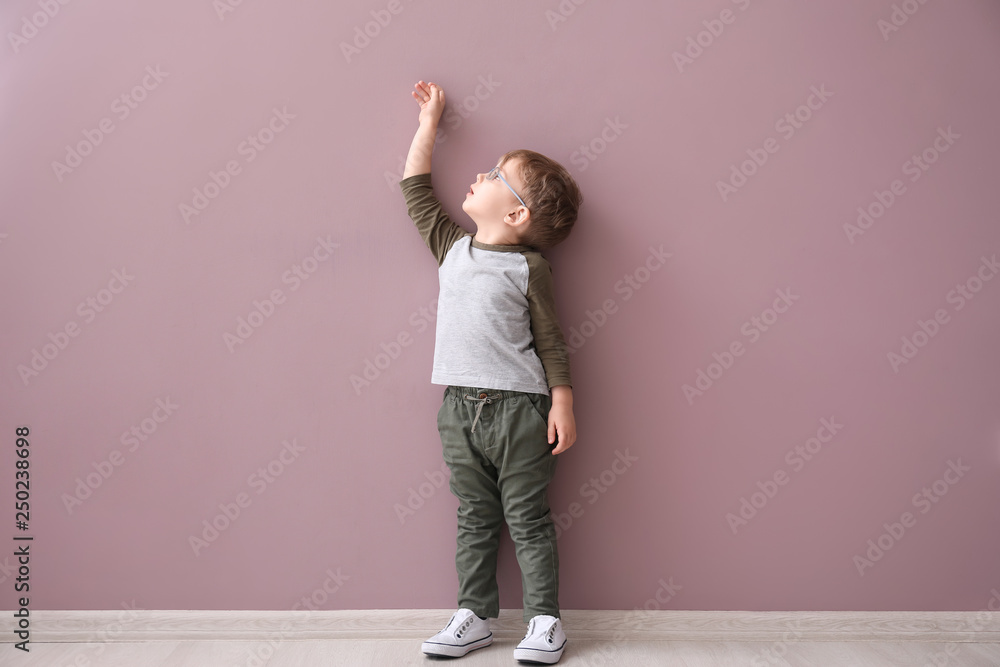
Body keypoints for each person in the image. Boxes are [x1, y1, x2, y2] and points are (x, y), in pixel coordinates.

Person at [398, 80, 582, 664]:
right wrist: (429, 123)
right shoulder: (453, 246)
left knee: (527, 518)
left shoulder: (530, 268)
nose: (477, 175)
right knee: (475, 516)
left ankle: (544, 622)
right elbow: (415, 190)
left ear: (516, 211)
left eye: (494, 174)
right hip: (457, 409)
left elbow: (550, 338)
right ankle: (474, 616)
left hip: (520, 413)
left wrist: (562, 401)